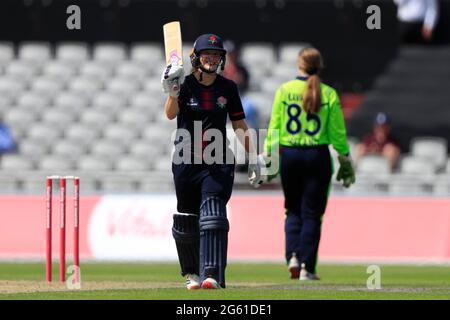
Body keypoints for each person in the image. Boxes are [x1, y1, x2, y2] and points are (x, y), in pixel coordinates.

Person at [161, 34, 263, 290]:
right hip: (185, 161)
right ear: (196, 57)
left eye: (216, 55)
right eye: (207, 55)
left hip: (217, 162)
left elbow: (239, 124)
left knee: (214, 216)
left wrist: (254, 157)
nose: (212, 59)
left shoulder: (227, 88)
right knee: (187, 219)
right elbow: (170, 114)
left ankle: (212, 275)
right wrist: (172, 92)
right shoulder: (183, 85)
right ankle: (192, 274)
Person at [264, 47, 355, 280]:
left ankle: (292, 256)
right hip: (317, 156)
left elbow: (274, 128)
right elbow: (337, 134)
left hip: (291, 156)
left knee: (292, 210)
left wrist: (268, 157)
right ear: (319, 65)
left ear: (299, 65)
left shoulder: (284, 90)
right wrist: (345, 160)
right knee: (312, 214)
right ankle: (308, 267)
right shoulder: (329, 94)